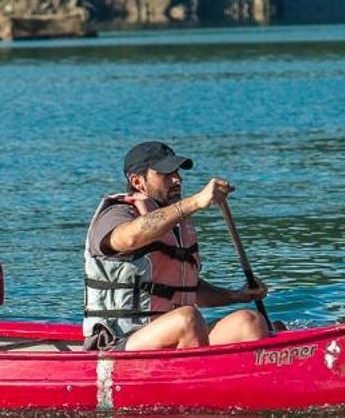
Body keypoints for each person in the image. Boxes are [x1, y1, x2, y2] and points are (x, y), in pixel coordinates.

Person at [83, 140, 270, 350]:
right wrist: (195, 201)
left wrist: (236, 295)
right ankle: (197, 378)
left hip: (172, 336)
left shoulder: (176, 223)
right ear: (137, 181)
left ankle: (258, 375)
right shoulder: (117, 213)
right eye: (165, 174)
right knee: (187, 319)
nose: (177, 179)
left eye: (177, 172)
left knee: (248, 322)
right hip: (119, 343)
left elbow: (187, 289)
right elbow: (128, 239)